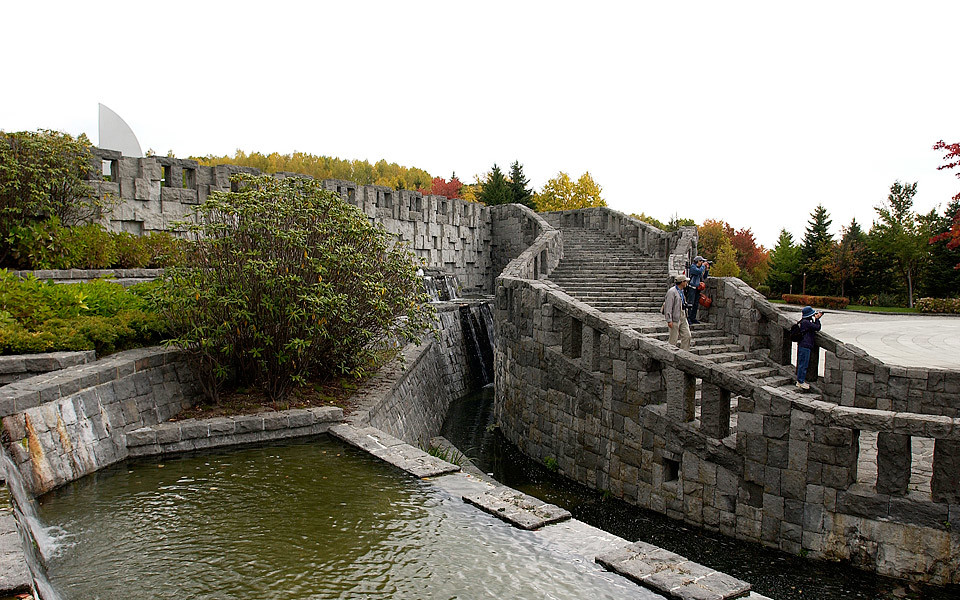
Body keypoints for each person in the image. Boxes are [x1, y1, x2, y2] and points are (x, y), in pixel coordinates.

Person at [795, 305, 823, 390]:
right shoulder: (806, 323)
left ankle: (800, 380)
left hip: (803, 345)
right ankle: (800, 381)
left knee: (802, 363)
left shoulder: (804, 321)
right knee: (803, 364)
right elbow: (817, 327)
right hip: (805, 345)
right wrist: (817, 319)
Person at [662, 274, 691, 350]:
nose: (686, 283)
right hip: (675, 318)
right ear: (682, 282)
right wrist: (669, 320)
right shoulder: (672, 292)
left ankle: (684, 353)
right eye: (685, 281)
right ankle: (670, 355)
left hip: (682, 315)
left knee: (687, 335)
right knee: (673, 339)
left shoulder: (682, 291)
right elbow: (668, 306)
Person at [685, 256, 709, 324]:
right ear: (698, 261)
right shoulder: (693, 267)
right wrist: (703, 266)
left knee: (695, 304)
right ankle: (688, 318)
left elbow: (704, 277)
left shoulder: (700, 268)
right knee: (690, 303)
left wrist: (706, 270)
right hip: (692, 288)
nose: (702, 263)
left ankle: (693, 318)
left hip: (697, 289)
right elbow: (698, 272)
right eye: (701, 261)